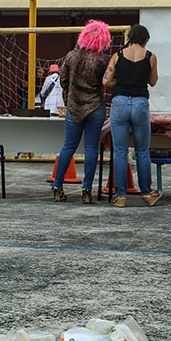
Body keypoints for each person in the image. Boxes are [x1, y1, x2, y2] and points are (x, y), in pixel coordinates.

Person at [49, 21, 111, 205]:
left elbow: (63, 81)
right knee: (91, 148)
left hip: (74, 107)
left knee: (68, 147)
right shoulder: (102, 60)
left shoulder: (71, 56)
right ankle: (86, 191)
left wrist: (70, 96)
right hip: (95, 107)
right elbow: (105, 82)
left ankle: (58, 186)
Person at [104, 24, 162, 208]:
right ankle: (147, 193)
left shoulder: (117, 55)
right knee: (142, 151)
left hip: (120, 102)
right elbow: (153, 82)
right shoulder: (150, 57)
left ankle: (120, 196)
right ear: (146, 39)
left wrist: (118, 83)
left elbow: (106, 80)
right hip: (140, 103)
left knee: (120, 151)